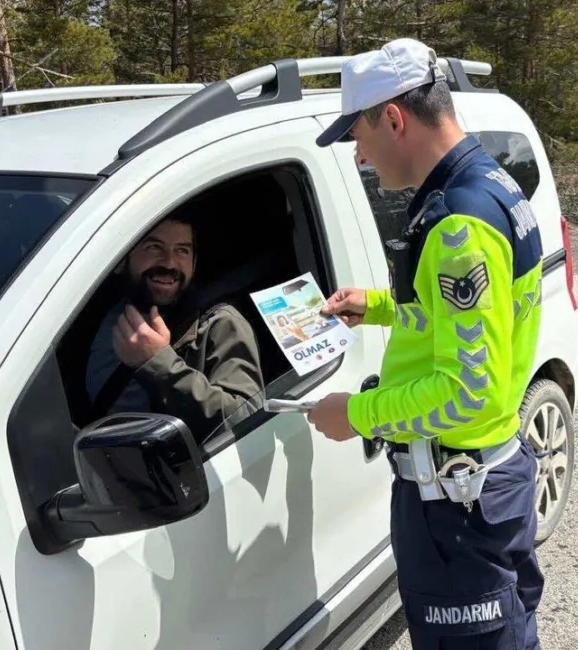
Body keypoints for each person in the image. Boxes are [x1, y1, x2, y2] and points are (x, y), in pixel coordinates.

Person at [307, 38, 546, 650]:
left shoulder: (458, 224)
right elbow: (464, 317)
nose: (359, 156)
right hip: (489, 481)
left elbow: (468, 391)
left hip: (456, 503)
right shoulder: (489, 183)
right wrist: (380, 306)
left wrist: (356, 415)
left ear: (394, 118)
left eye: (356, 135)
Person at [83, 213, 263, 441]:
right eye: (153, 248)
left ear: (194, 263)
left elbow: (247, 420)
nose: (169, 263)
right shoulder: (94, 308)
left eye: (182, 251)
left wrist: (159, 364)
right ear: (120, 261)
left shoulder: (218, 324)